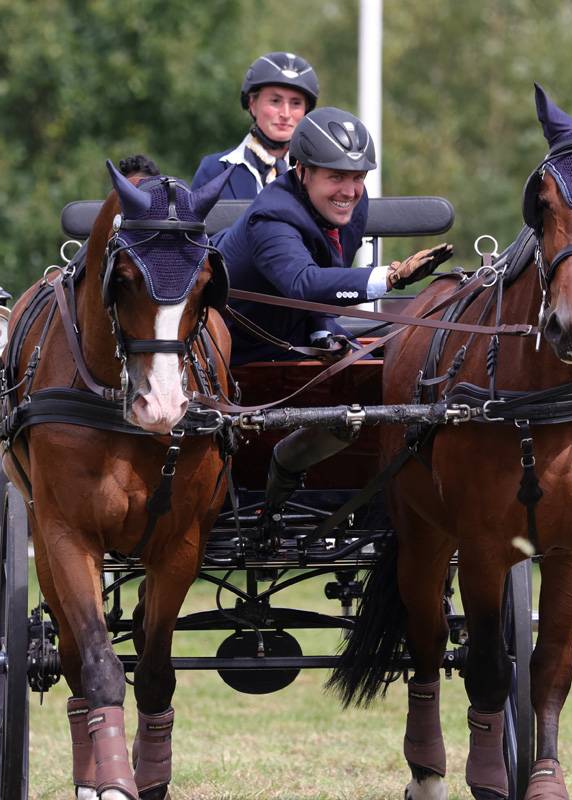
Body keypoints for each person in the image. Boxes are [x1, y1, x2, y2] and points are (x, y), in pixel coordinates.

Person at [212, 107, 453, 531]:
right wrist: (391, 277)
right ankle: (274, 487)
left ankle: (390, 499)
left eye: (358, 177)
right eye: (336, 177)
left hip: (293, 340)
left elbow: (324, 271)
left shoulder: (350, 210)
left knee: (385, 384)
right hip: (232, 356)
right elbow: (302, 283)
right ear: (301, 170)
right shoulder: (273, 216)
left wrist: (325, 329)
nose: (350, 190)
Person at [192, 52, 319, 201]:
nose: (285, 113)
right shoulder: (213, 171)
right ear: (252, 104)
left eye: (296, 103)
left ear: (306, 110)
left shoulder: (319, 175)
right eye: (275, 101)